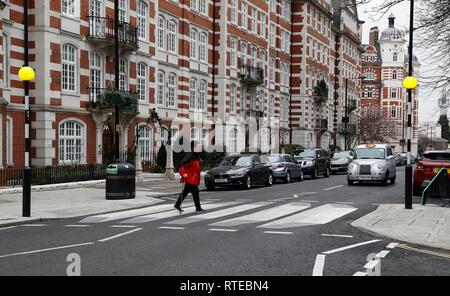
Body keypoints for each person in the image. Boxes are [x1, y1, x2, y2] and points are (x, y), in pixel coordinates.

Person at [174, 140, 205, 213]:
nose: (200, 148)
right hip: (190, 178)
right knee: (195, 192)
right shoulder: (190, 155)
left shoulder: (196, 155)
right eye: (198, 147)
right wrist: (183, 173)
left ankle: (177, 204)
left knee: (185, 192)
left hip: (193, 178)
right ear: (194, 147)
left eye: (200, 147)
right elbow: (181, 165)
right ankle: (198, 208)